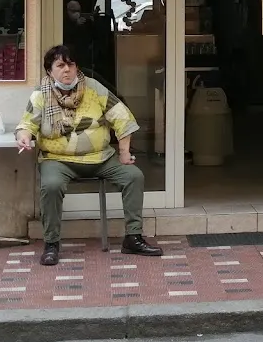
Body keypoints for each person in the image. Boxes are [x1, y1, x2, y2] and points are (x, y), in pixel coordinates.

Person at [15, 45, 162, 265]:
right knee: (51, 186)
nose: (67, 70)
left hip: (101, 157)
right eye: (60, 65)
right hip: (57, 159)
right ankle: (51, 244)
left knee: (134, 176)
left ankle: (133, 237)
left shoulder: (94, 88)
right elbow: (27, 124)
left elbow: (122, 117)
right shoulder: (40, 95)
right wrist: (24, 136)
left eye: (71, 64)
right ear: (49, 71)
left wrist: (124, 153)